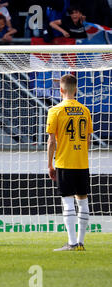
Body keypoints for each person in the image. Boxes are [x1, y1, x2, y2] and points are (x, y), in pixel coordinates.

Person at [46, 74, 93, 251]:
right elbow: (88, 140)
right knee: (83, 201)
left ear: (61, 90)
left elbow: (51, 141)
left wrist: (50, 164)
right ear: (76, 90)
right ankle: (80, 243)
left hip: (64, 163)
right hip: (82, 163)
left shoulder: (55, 111)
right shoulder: (85, 110)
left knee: (67, 201)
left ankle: (72, 243)